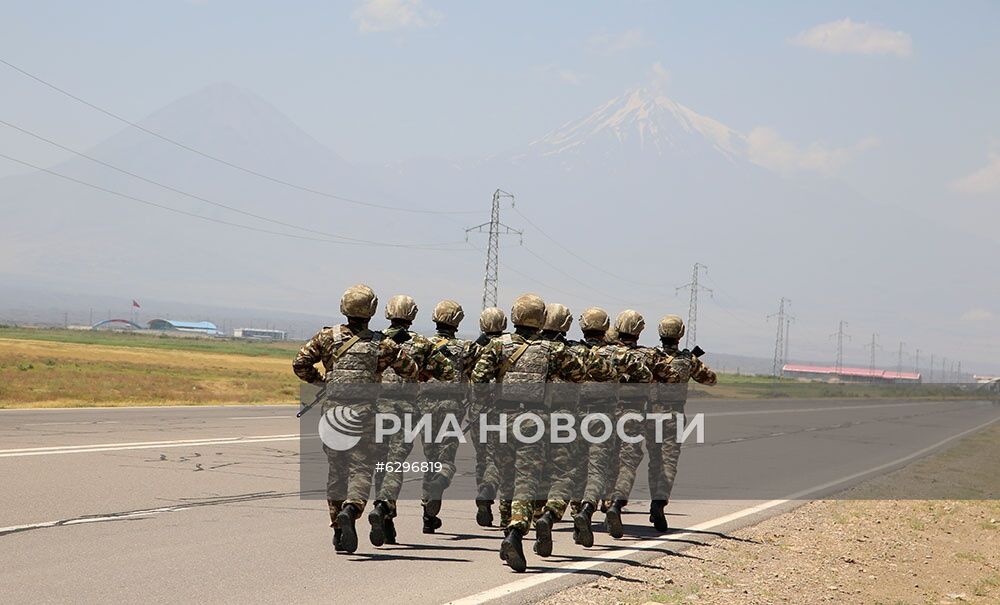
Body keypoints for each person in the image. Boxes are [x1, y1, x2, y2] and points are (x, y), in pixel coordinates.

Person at [292, 284, 418, 554]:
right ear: (372, 310)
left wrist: (322, 380)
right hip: (366, 414)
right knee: (361, 468)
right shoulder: (380, 343)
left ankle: (338, 528)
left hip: (333, 413)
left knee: (336, 471)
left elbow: (300, 364)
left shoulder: (327, 337)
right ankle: (352, 507)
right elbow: (410, 369)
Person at [470, 293, 587, 573]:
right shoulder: (551, 350)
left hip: (500, 419)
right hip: (534, 419)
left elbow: (478, 379)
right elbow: (579, 374)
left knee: (508, 476)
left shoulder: (498, 345)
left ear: (515, 316)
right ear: (541, 319)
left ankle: (507, 531)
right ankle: (516, 531)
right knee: (527, 479)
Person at [369, 295, 454, 546]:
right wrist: (424, 374)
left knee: (381, 465)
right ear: (413, 316)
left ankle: (386, 518)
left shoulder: (373, 340)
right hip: (406, 411)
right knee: (395, 463)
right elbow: (447, 372)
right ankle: (384, 508)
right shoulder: (421, 343)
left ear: (386, 313)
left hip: (377, 409)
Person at [532, 303, 614, 558]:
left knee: (550, 471)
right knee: (590, 469)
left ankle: (542, 517)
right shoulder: (610, 353)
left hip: (553, 417)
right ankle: (585, 510)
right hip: (595, 417)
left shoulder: (556, 350)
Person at [568, 307, 652, 548]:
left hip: (585, 414)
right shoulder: (638, 356)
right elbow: (646, 377)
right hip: (626, 414)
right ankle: (614, 503)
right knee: (623, 463)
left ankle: (579, 512)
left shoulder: (582, 352)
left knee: (584, 463)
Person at [645, 314, 717, 531]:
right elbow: (711, 379)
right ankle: (659, 502)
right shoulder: (688, 360)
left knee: (654, 461)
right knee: (669, 462)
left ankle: (654, 501)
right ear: (680, 334)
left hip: (651, 415)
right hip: (673, 417)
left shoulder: (650, 357)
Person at [415, 299, 474, 534]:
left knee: (431, 458)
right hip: (452, 406)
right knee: (446, 457)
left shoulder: (423, 344)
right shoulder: (466, 348)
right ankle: (439, 485)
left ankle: (428, 517)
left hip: (424, 405)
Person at [469, 306, 508, 527]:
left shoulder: (474, 347)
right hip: (500, 408)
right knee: (498, 457)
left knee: (482, 456)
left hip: (477, 408)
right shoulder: (506, 346)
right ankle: (489, 490)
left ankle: (484, 495)